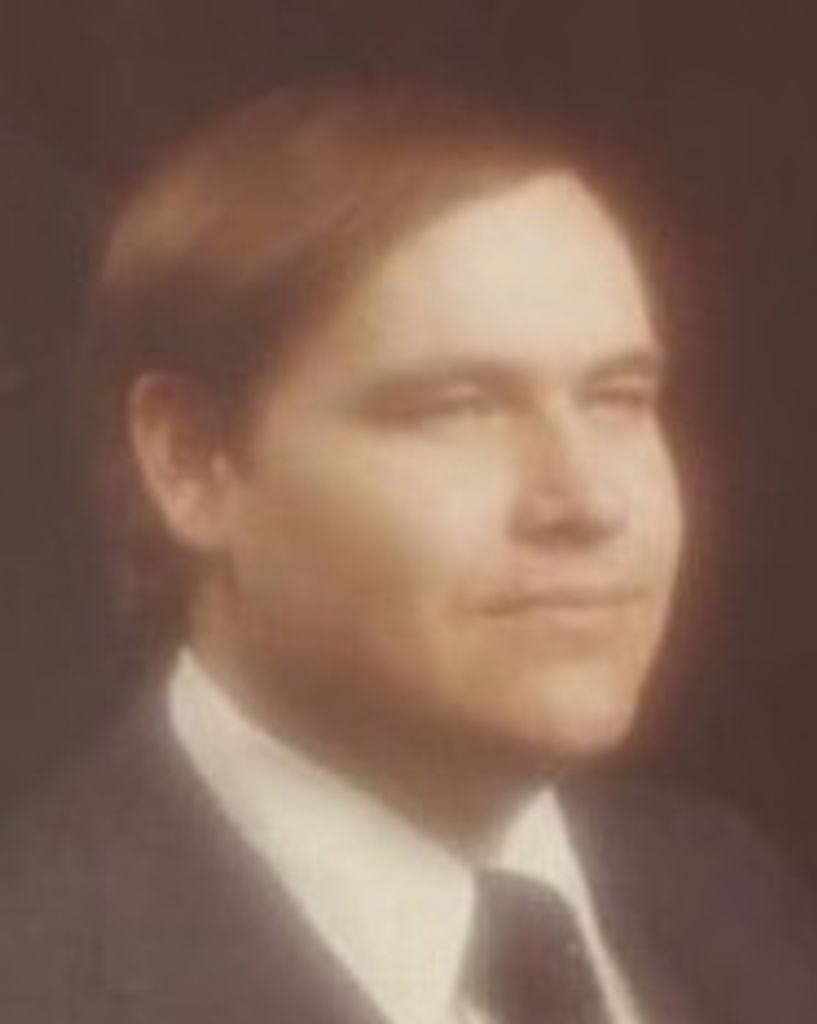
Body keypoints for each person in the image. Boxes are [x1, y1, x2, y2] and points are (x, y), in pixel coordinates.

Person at [1, 80, 815, 1024]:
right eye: (458, 409)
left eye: (618, 399)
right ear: (193, 463)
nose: (590, 502)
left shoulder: (723, 887)